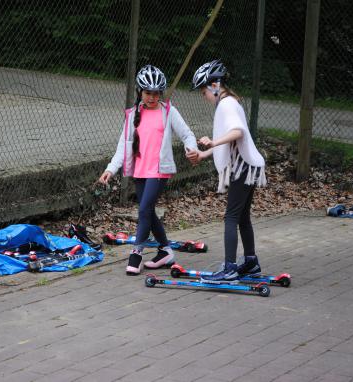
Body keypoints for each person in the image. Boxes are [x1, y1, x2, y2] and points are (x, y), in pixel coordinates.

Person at [98, 65, 198, 275]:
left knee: (143, 210)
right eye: (147, 93)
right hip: (140, 170)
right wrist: (110, 169)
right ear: (140, 92)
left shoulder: (168, 111)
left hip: (159, 170)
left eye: (156, 93)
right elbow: (122, 147)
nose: (152, 97)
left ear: (161, 93)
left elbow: (188, 135)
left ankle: (137, 253)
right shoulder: (132, 114)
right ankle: (166, 251)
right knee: (148, 211)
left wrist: (192, 149)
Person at [186, 59, 267, 283]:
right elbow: (231, 140)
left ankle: (230, 268)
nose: (204, 97)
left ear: (214, 86)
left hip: (243, 168)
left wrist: (211, 143)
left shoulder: (226, 104)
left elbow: (237, 132)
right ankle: (251, 263)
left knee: (231, 217)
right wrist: (204, 154)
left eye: (204, 92)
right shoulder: (230, 102)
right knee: (242, 218)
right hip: (249, 166)